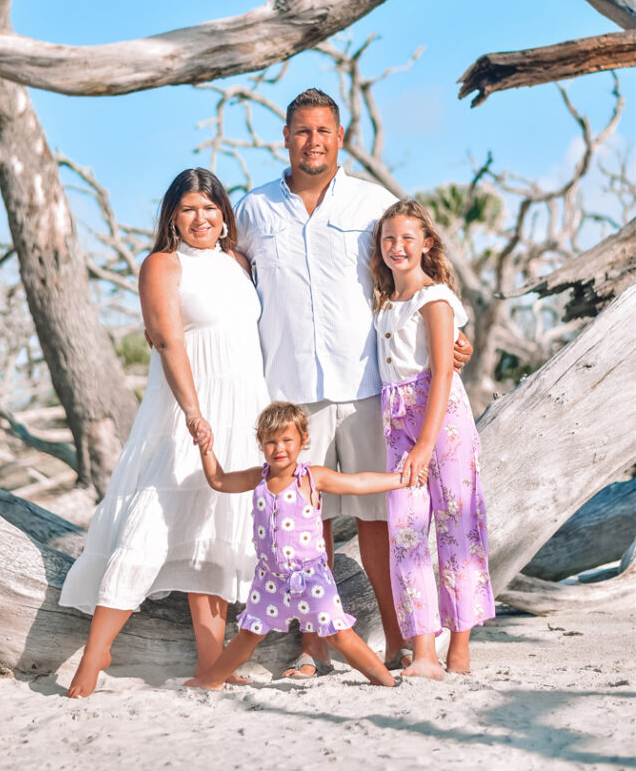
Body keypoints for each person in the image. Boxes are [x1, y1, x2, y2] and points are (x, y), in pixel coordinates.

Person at [234, 89, 473, 677]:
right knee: (307, 524)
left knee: (379, 522)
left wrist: (449, 336)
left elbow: (413, 269)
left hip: (370, 386)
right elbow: (234, 284)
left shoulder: (373, 202)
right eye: (301, 131)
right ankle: (312, 647)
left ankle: (397, 638)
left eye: (323, 130)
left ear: (340, 136)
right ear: (285, 137)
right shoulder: (253, 209)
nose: (312, 141)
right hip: (290, 392)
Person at [59, 168, 269, 697]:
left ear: (225, 215)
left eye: (211, 207)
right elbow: (168, 342)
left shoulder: (239, 264)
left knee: (216, 532)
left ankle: (211, 665)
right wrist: (195, 413)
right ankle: (94, 656)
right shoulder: (162, 265)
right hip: (185, 410)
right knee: (150, 525)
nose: (202, 218)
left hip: (244, 407)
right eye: (189, 209)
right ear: (173, 217)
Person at [186, 401, 425, 691]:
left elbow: (359, 482)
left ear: (303, 440)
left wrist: (402, 479)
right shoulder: (258, 477)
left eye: (287, 440)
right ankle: (210, 681)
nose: (279, 448)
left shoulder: (312, 477)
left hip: (311, 579)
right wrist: (205, 448)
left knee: (339, 635)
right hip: (269, 581)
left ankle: (386, 681)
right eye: (271, 441)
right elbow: (219, 481)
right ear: (261, 443)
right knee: (248, 635)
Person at [371, 198, 495, 679]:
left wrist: (424, 445)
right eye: (389, 238)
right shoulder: (384, 304)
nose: (397, 247)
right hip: (396, 422)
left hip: (441, 423)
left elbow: (444, 371)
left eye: (408, 238)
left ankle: (459, 647)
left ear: (427, 244)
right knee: (405, 532)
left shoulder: (435, 298)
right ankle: (423, 652)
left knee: (457, 528)